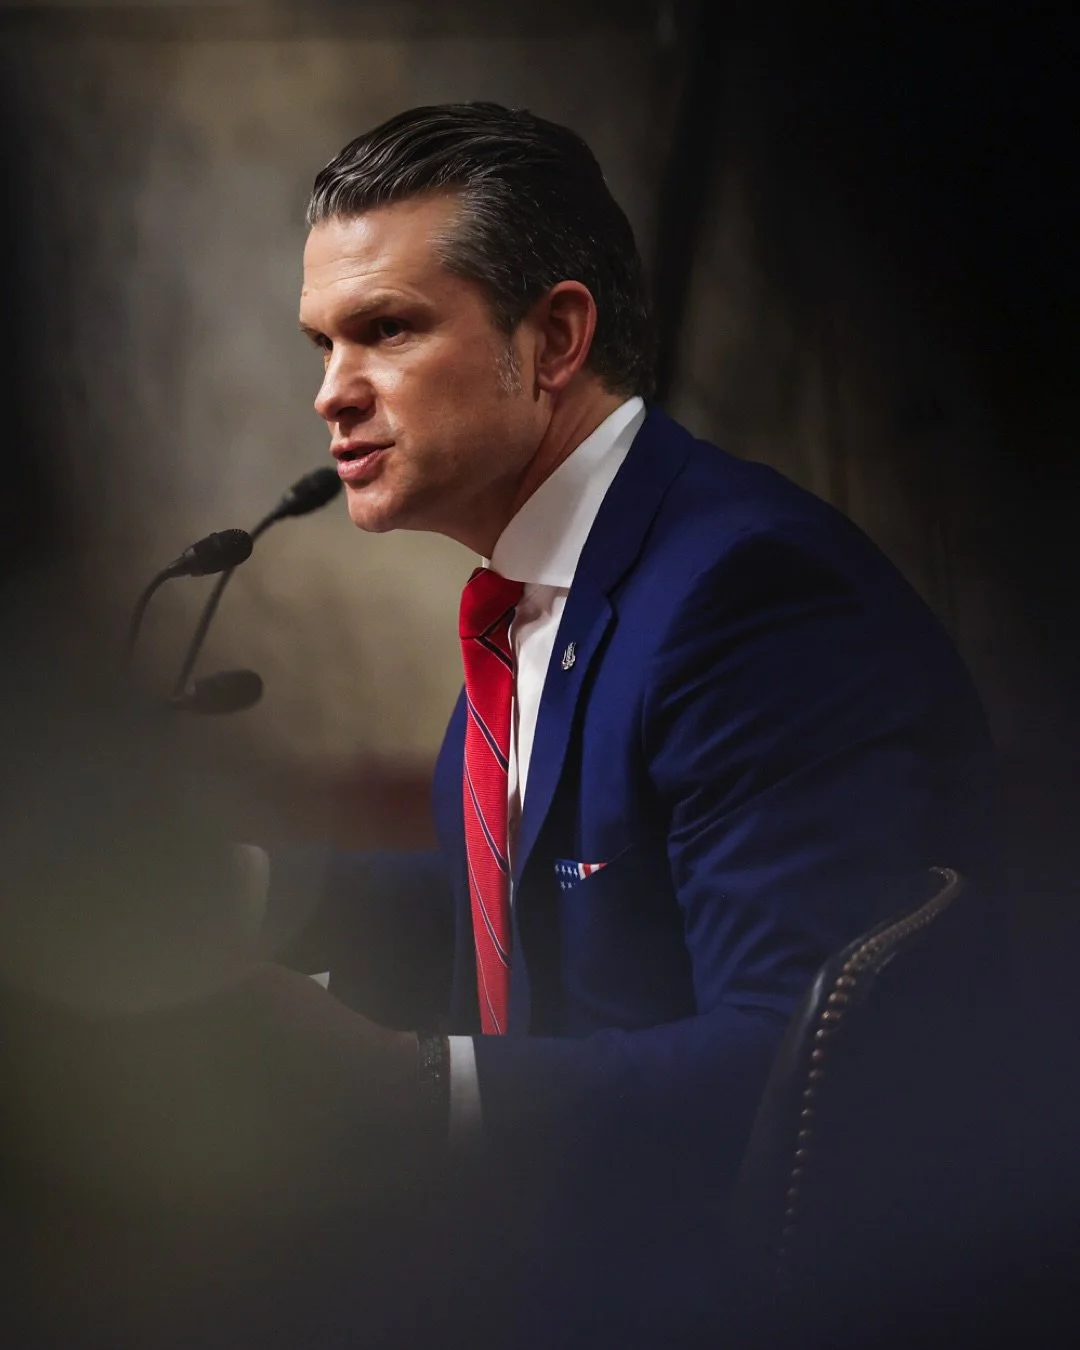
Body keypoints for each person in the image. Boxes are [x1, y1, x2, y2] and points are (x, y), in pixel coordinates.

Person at [260, 102, 996, 1344]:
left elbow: (803, 1068)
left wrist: (409, 1090)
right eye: (322, 343)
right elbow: (538, 904)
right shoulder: (542, 590)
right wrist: (254, 895)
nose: (334, 394)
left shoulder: (745, 594)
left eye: (385, 329)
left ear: (553, 337)